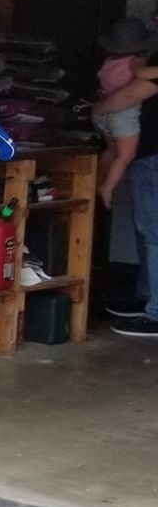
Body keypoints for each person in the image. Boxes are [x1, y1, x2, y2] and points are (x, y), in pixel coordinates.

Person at [92, 17, 158, 337]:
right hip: (144, 153)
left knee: (153, 232)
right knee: (148, 230)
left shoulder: (133, 64)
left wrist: (98, 110)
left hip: (151, 156)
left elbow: (131, 94)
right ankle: (148, 298)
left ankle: (155, 309)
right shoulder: (143, 59)